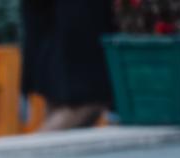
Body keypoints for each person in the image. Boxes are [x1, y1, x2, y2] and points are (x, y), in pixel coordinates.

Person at [20, 0, 116, 130]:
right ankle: (30, 150)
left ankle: (34, 148)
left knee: (62, 105)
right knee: (87, 101)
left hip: (56, 38)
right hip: (72, 34)